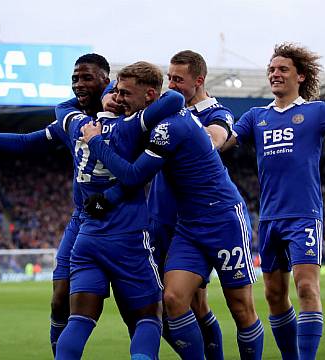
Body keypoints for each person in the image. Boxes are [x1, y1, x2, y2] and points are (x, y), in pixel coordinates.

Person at [82, 60, 264, 360]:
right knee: (173, 299)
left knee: (241, 307)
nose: (120, 99)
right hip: (188, 224)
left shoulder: (169, 126)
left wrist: (97, 142)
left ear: (150, 96)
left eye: (126, 93)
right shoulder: (156, 119)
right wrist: (107, 198)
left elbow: (133, 175)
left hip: (222, 218)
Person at [0, 54, 114, 357]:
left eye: (86, 78)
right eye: (74, 79)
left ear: (106, 81)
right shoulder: (69, 121)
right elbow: (24, 142)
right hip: (83, 219)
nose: (78, 85)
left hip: (126, 220)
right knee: (60, 299)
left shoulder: (126, 115)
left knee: (142, 310)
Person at [221, 42, 325, 360]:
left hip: (305, 214)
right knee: (275, 295)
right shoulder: (255, 116)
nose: (275, 73)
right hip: (270, 218)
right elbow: (223, 145)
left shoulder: (316, 112)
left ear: (300, 75)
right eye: (272, 69)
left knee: (306, 288)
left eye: (283, 69)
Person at [55, 61, 185, 360]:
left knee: (78, 320)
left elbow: (61, 109)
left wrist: (88, 97)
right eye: (116, 92)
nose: (120, 97)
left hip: (87, 238)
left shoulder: (78, 125)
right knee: (149, 317)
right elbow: (175, 99)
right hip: (127, 238)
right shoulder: (131, 126)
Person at [151, 49, 234, 360]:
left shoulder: (216, 113)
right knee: (154, 303)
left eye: (177, 79)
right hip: (159, 218)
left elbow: (215, 139)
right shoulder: (167, 110)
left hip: (192, 222)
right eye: (168, 78)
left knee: (190, 303)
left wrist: (183, 132)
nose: (170, 85)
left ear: (199, 81)